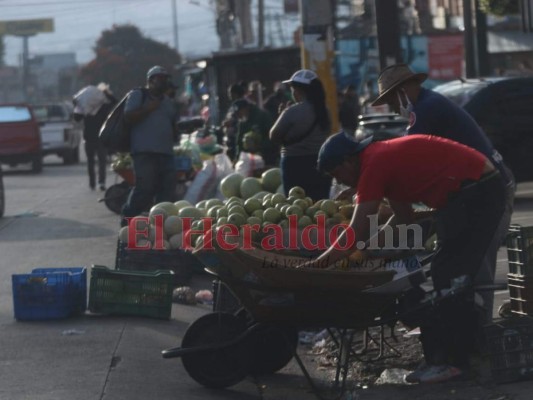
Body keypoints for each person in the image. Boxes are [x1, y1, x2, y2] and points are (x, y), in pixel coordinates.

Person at [308, 131, 505, 383]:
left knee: (448, 276)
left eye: (338, 176)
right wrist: (367, 251)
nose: (344, 184)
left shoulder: (373, 163)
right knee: (447, 273)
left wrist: (319, 264)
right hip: (471, 190)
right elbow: (403, 218)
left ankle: (454, 362)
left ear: (347, 162)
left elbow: (356, 229)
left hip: (476, 189)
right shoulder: (380, 159)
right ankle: (451, 357)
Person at [371, 63, 516, 325]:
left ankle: (477, 344)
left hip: (489, 190)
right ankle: (469, 335)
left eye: (392, 99)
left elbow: (405, 160)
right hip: (473, 192)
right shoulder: (429, 104)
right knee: (463, 269)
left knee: (476, 269)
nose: (393, 107)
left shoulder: (426, 109)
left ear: (404, 91)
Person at [120, 65, 180, 226]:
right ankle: (128, 223)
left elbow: (173, 123)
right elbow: (129, 116)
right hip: (144, 152)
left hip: (166, 152)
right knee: (144, 189)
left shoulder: (168, 101)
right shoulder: (138, 95)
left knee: (166, 192)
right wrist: (148, 108)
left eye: (165, 79)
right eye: (159, 79)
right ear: (150, 81)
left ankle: (159, 227)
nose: (163, 82)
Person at [269, 69, 332, 201]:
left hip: (294, 165)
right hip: (319, 164)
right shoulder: (325, 111)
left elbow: (273, 136)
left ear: (298, 90)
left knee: (297, 207)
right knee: (320, 206)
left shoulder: (292, 111)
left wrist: (282, 114)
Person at [73, 84, 117, 191]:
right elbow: (116, 102)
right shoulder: (104, 106)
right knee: (102, 161)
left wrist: (78, 104)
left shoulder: (85, 107)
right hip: (100, 137)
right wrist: (106, 93)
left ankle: (92, 183)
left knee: (90, 161)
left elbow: (76, 118)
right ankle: (101, 182)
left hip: (88, 137)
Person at [231, 98, 277, 167]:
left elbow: (273, 136)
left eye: (239, 112)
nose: (238, 115)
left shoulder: (262, 116)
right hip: (250, 158)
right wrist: (237, 158)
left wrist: (259, 145)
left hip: (267, 155)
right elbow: (239, 142)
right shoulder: (242, 122)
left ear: (246, 108)